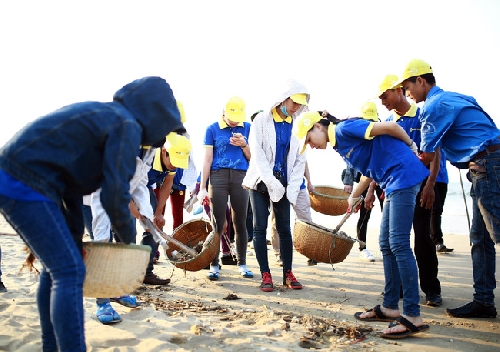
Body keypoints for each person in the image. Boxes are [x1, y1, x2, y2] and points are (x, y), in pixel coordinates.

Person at [0, 76, 185, 351]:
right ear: (153, 113)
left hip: (25, 180)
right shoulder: (126, 125)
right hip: (24, 181)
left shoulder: (112, 119)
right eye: (165, 128)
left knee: (56, 270)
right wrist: (127, 246)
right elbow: (114, 195)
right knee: (69, 271)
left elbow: (71, 188)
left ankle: (51, 346)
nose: (161, 140)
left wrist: (75, 235)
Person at [295, 110, 430, 338]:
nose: (311, 146)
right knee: (386, 243)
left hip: (402, 176)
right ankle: (389, 306)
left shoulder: (343, 129)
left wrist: (411, 147)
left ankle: (413, 315)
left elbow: (391, 127)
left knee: (398, 244)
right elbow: (369, 171)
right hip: (390, 180)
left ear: (318, 127)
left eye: (308, 140)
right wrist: (354, 195)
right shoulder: (339, 143)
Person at [396, 58, 500, 318]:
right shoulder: (457, 96)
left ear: (421, 81)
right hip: (486, 164)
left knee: (496, 234)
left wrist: (397, 168)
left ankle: (484, 300)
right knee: (480, 238)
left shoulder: (432, 106)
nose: (406, 93)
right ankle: (484, 301)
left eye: (407, 86)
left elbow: (428, 155)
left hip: (489, 166)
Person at [376, 75, 443, 307]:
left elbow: (434, 152)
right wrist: (385, 186)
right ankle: (401, 288)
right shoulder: (387, 122)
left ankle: (432, 290)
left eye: (386, 95)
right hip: (399, 185)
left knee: (423, 236)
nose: (383, 100)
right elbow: (386, 159)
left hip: (428, 182)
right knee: (395, 240)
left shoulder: (422, 114)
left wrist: (430, 185)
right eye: (380, 97)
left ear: (399, 91)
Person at [242, 79, 309, 292]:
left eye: (300, 104)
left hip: (285, 181)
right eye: (294, 102)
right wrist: (271, 182)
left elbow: (300, 160)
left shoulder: (298, 125)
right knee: (259, 227)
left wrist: (291, 188)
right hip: (261, 180)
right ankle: (265, 274)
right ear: (283, 98)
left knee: (284, 229)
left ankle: (288, 272)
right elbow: (258, 155)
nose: (296, 107)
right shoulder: (261, 120)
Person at [198, 97, 253, 280]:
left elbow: (254, 159)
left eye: (238, 117)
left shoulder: (247, 127)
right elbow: (207, 159)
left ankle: (242, 263)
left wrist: (244, 145)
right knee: (218, 223)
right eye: (232, 117)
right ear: (224, 112)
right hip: (218, 176)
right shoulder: (212, 129)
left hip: (241, 176)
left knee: (240, 222)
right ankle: (214, 265)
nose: (235, 121)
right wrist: (203, 187)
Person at [341, 102, 384, 262]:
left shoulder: (380, 132)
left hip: (381, 180)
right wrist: (348, 182)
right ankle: (362, 247)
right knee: (365, 215)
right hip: (363, 180)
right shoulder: (357, 136)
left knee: (387, 213)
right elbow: (349, 161)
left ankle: (384, 246)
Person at [271, 162, 317, 266]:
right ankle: (279, 253)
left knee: (306, 221)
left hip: (298, 187)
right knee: (277, 221)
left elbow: (304, 162)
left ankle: (310, 252)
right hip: (279, 186)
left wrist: (309, 181)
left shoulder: (299, 146)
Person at [430, 151, 453, 253]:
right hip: (430, 178)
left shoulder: (444, 140)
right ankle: (437, 241)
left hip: (443, 178)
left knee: (438, 211)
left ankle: (435, 240)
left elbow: (450, 155)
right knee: (435, 209)